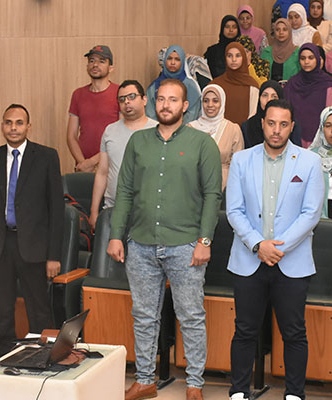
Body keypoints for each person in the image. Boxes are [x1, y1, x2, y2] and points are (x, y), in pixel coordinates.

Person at [107, 79, 222, 400]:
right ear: (153, 102)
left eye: (173, 100)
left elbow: (212, 195)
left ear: (185, 106)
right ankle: (145, 380)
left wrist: (205, 241)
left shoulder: (202, 143)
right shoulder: (138, 142)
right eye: (161, 99)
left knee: (191, 317)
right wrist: (116, 236)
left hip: (186, 245)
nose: (165, 105)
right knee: (144, 316)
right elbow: (124, 192)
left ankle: (195, 384)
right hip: (141, 243)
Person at [226, 99, 323, 400]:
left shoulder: (309, 161)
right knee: (245, 330)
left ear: (292, 126)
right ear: (262, 123)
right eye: (271, 123)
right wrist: (258, 245)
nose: (276, 130)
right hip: (249, 259)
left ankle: (294, 394)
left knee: (294, 332)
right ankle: (238, 392)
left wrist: (277, 248)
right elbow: (234, 210)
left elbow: (311, 214)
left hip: (291, 262)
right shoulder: (241, 160)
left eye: (283, 124)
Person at [0, 104, 64, 358]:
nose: (13, 128)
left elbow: (56, 210)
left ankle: (42, 355)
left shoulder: (46, 157)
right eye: (8, 122)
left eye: (19, 123)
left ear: (28, 126)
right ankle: (3, 356)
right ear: (2, 126)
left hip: (34, 246)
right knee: (3, 309)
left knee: (38, 308)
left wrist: (53, 256)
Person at [89, 80, 157, 229]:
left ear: (144, 100)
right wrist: (94, 211)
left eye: (132, 96)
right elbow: (102, 172)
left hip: (147, 212)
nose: (126, 102)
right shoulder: (110, 131)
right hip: (112, 208)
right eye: (122, 99)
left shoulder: (157, 130)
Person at [66, 45, 120, 172]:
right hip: (83, 167)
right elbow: (71, 136)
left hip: (111, 166)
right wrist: (83, 164)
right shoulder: (78, 94)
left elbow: (121, 135)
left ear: (111, 68)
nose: (95, 65)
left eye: (101, 61)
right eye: (91, 61)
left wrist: (92, 162)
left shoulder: (120, 93)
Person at [190, 84, 244, 189]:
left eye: (215, 101)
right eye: (206, 101)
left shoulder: (232, 129)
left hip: (223, 187)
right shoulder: (191, 128)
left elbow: (238, 165)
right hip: (194, 187)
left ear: (222, 103)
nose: (210, 105)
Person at [285, 44, 332, 147]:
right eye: (303, 58)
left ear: (317, 59)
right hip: (295, 138)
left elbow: (331, 113)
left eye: (311, 58)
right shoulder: (292, 84)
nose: (306, 62)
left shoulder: (327, 83)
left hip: (321, 139)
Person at [146, 45, 202, 124]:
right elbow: (150, 113)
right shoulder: (155, 86)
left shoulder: (191, 86)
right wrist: (160, 127)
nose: (172, 62)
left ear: (182, 62)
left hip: (184, 128)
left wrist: (177, 127)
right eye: (169, 58)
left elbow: (193, 113)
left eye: (177, 59)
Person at [241, 80, 303, 148]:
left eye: (274, 96)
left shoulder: (291, 124)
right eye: (265, 95)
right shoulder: (247, 126)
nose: (269, 100)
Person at [210, 42, 260, 125]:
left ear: (243, 58)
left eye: (238, 56)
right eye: (229, 56)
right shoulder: (215, 85)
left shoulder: (251, 85)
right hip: (218, 130)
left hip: (244, 131)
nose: (233, 59)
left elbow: (252, 115)